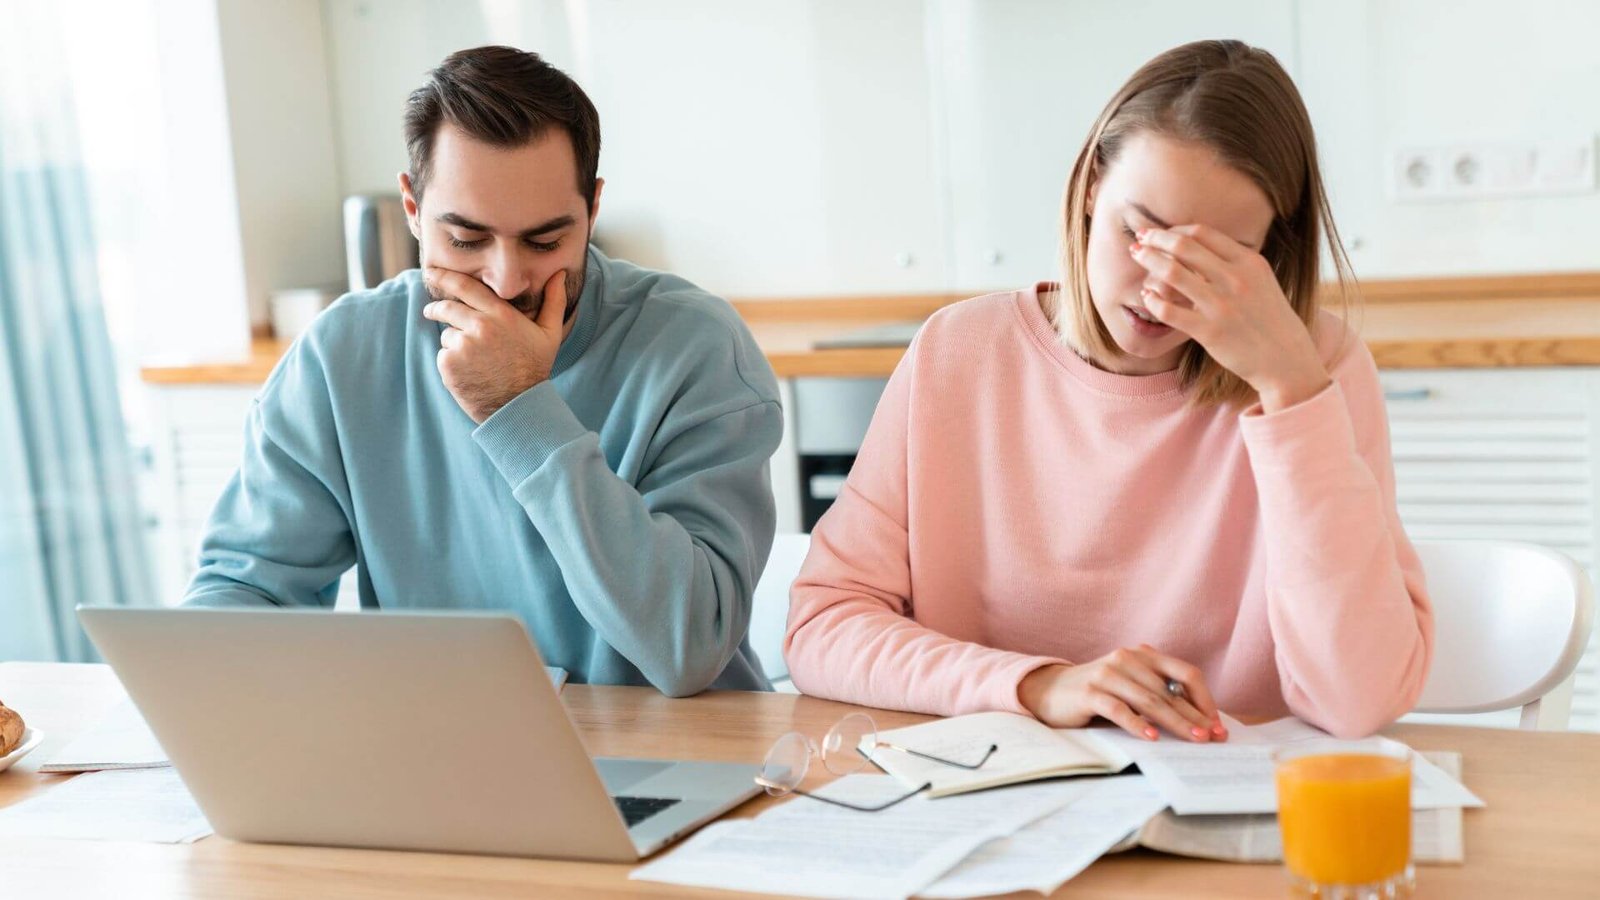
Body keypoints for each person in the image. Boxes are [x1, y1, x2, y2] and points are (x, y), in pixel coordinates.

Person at [784, 40, 1432, 740]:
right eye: (1142, 234)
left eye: (1220, 261)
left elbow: (1359, 699)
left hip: (1232, 806)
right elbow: (825, 626)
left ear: (1271, 253)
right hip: (993, 798)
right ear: (1093, 187)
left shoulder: (1319, 369)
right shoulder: (958, 353)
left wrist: (1291, 390)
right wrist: (1038, 684)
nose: (1162, 291)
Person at [185, 46, 783, 697]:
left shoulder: (696, 348)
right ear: (412, 207)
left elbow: (687, 648)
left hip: (679, 760)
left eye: (546, 240)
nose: (505, 278)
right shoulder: (341, 356)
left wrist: (517, 408)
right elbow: (247, 589)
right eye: (467, 240)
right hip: (440, 758)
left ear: (593, 210)